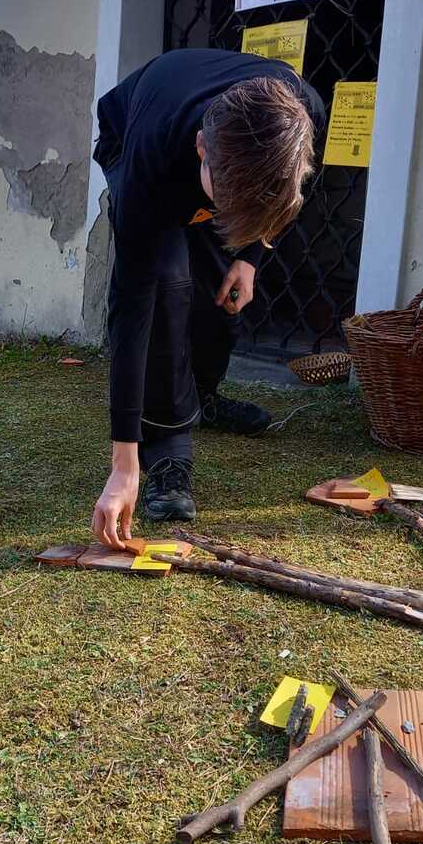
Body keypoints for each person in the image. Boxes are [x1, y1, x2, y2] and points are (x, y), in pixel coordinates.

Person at [90, 48, 328, 550]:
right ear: (202, 147)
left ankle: (202, 397)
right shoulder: (150, 163)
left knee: (222, 289)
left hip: (217, 158)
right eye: (224, 203)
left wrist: (250, 257)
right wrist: (123, 464)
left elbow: (284, 197)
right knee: (167, 288)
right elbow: (130, 310)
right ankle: (167, 446)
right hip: (132, 133)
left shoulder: (304, 118)